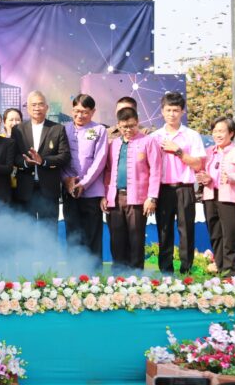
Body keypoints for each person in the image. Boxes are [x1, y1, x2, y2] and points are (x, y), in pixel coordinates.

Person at [151, 92, 206, 274]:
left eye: (176, 110)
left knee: (186, 231)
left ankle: (186, 271)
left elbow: (198, 164)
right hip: (163, 189)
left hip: (185, 189)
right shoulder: (154, 137)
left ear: (182, 111)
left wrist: (179, 151)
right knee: (164, 230)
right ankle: (165, 272)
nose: (172, 114)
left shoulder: (192, 135)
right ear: (162, 111)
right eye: (168, 110)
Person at [102, 108, 161, 270]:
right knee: (116, 239)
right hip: (115, 198)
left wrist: (152, 197)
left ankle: (135, 276)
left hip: (138, 199)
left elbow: (156, 171)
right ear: (118, 126)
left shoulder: (148, 141)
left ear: (138, 123)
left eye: (131, 126)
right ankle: (118, 274)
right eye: (124, 127)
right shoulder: (114, 144)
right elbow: (108, 171)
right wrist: (104, 195)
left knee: (136, 239)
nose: (128, 130)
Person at [196, 116, 235, 277]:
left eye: (221, 131)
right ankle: (220, 268)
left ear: (231, 133)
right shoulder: (208, 152)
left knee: (230, 236)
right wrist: (204, 177)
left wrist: (232, 177)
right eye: (215, 131)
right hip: (210, 196)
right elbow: (200, 170)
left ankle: (230, 272)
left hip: (230, 198)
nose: (217, 134)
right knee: (215, 234)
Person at [12, 90, 71, 232]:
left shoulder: (57, 128)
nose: (37, 108)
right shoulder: (18, 129)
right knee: (26, 230)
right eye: (33, 105)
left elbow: (65, 156)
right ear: (27, 108)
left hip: (49, 189)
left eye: (40, 104)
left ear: (47, 107)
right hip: (25, 188)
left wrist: (43, 161)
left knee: (49, 230)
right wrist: (26, 163)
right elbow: (14, 156)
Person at [61, 94, 108, 268]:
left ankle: (94, 276)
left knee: (92, 234)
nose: (80, 115)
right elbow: (60, 159)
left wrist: (84, 183)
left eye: (85, 112)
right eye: (77, 111)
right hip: (70, 191)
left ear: (93, 112)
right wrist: (67, 180)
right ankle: (74, 273)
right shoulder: (63, 129)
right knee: (73, 234)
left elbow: (100, 160)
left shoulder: (99, 130)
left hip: (92, 191)